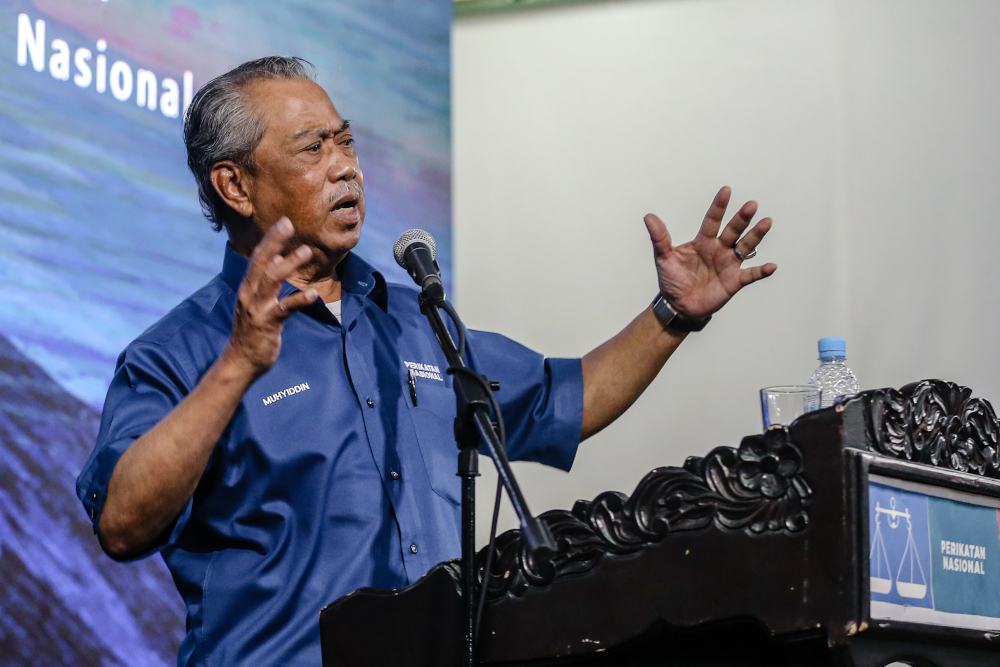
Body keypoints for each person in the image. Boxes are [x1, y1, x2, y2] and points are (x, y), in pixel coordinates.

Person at [76, 56, 776, 666]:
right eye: (313, 148)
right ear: (235, 186)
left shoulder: (418, 322)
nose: (346, 166)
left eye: (346, 141)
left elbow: (564, 400)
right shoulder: (178, 352)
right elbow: (123, 523)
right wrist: (237, 366)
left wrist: (673, 315)